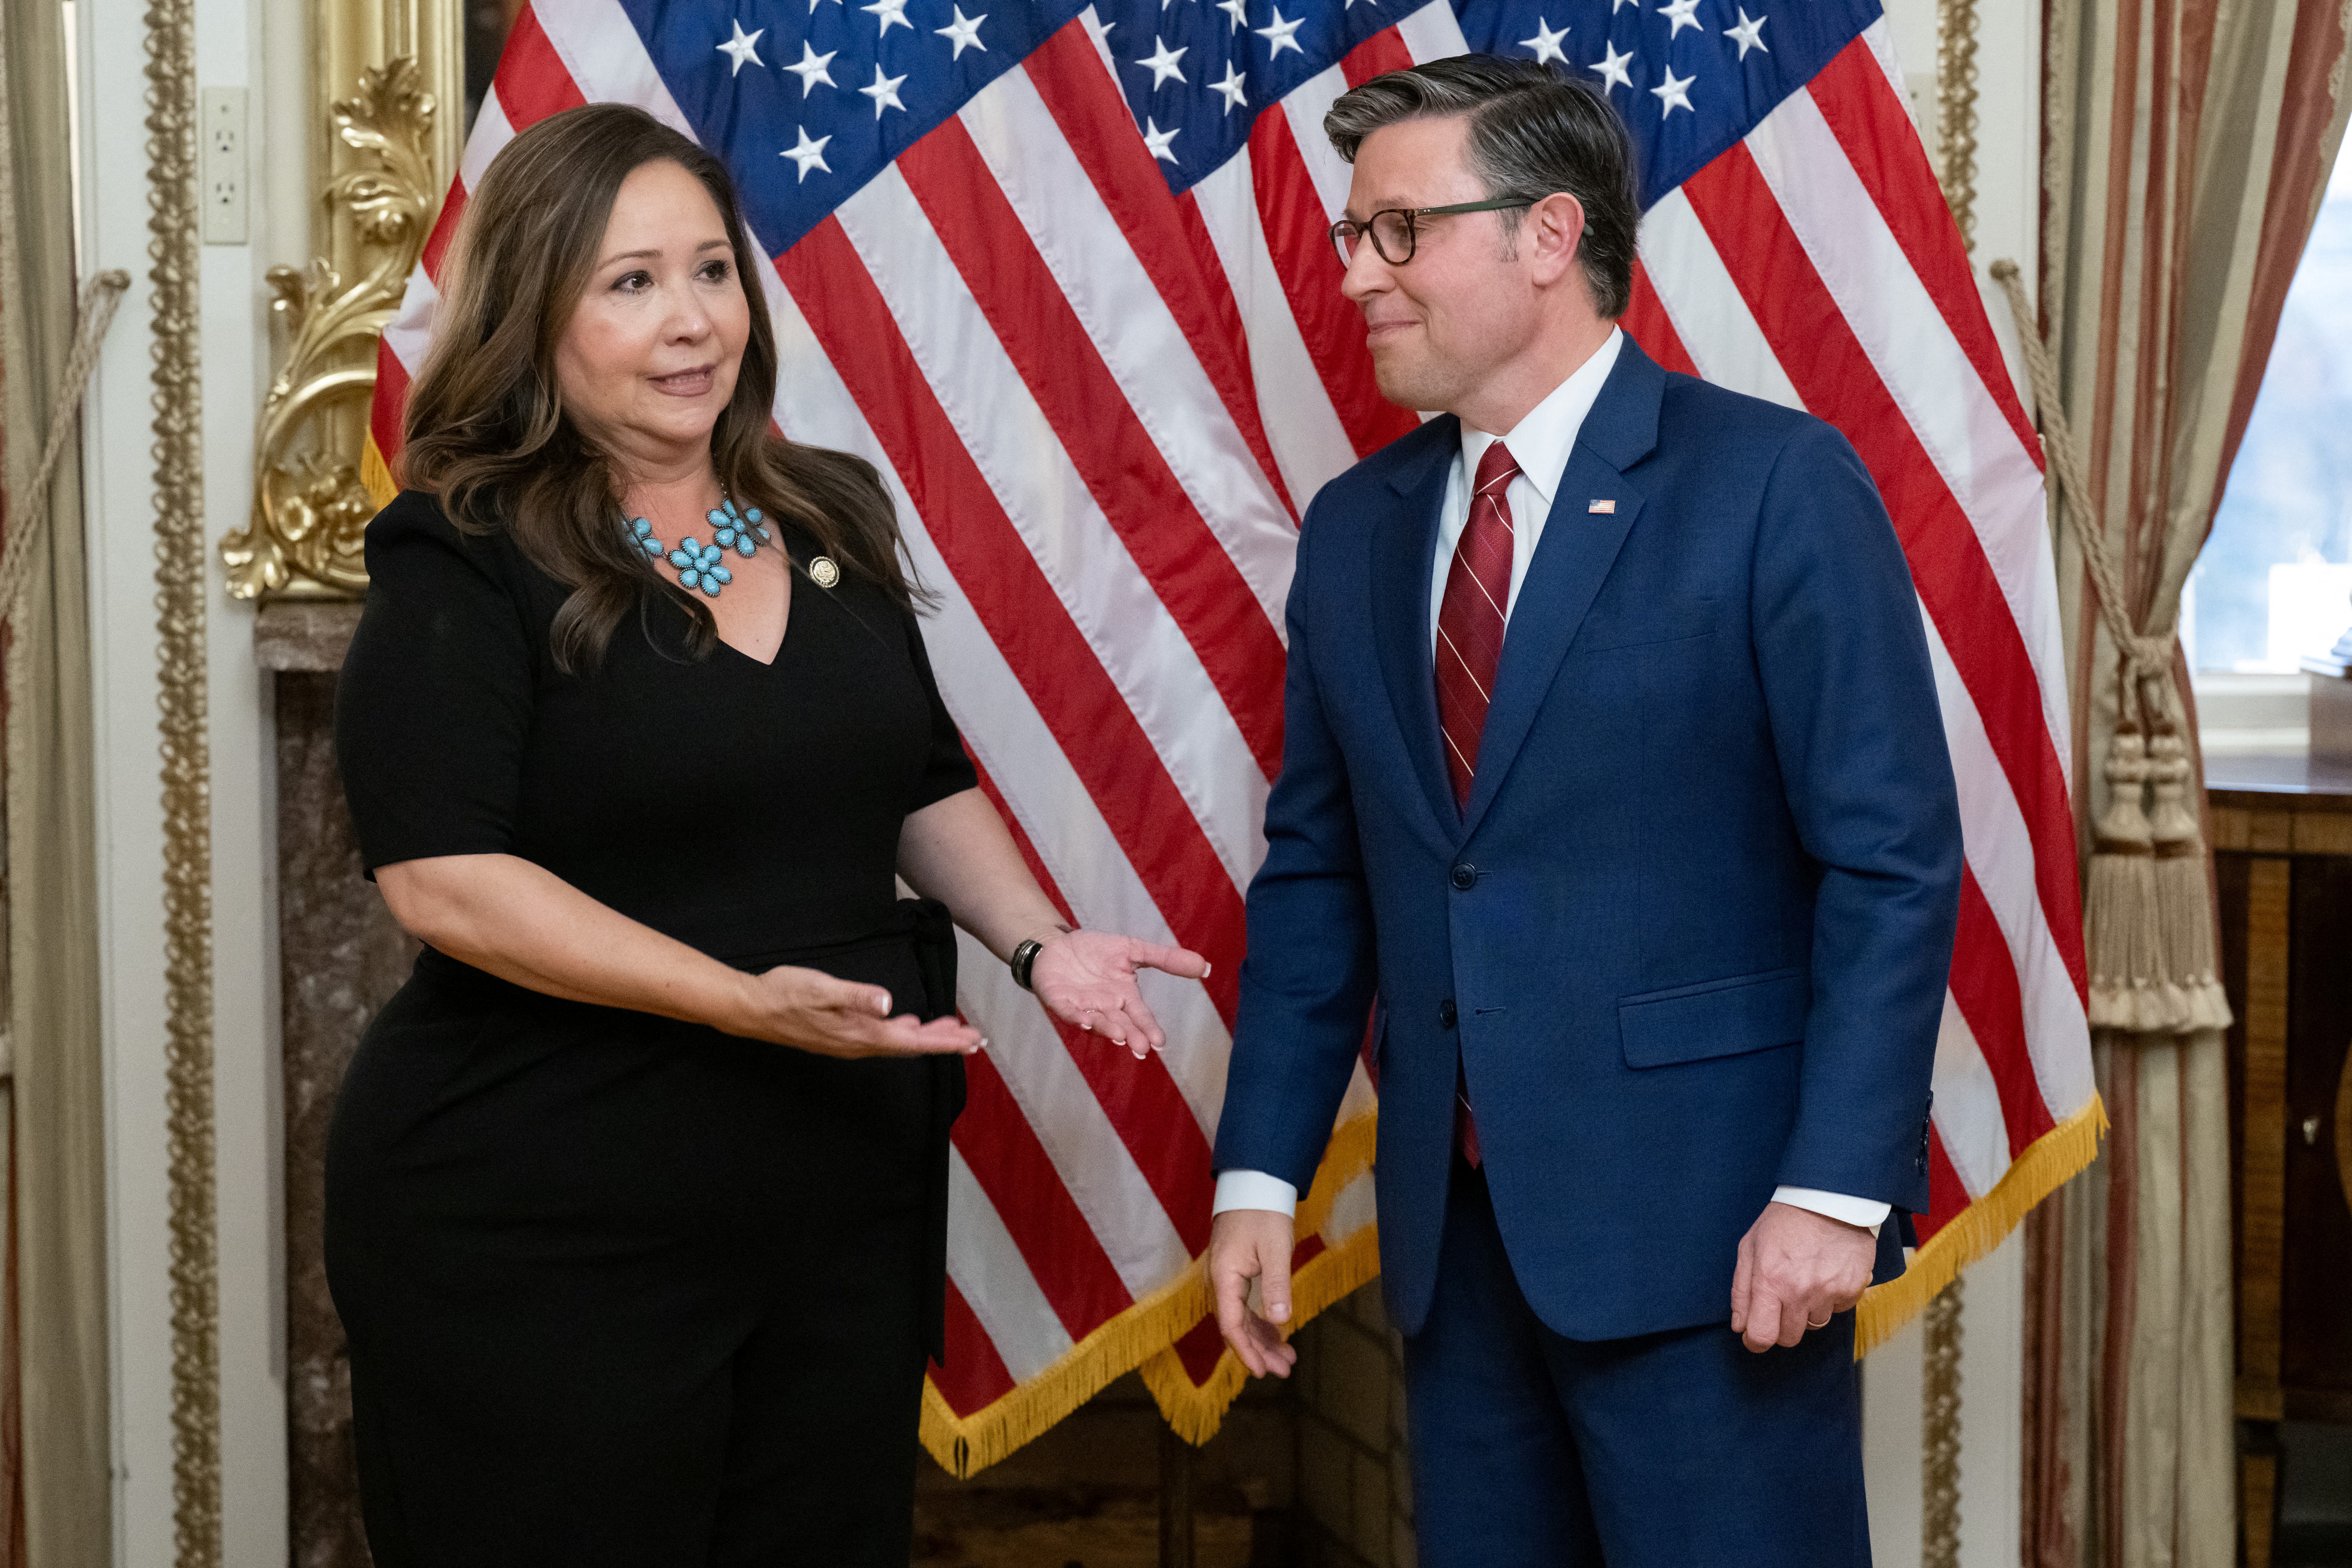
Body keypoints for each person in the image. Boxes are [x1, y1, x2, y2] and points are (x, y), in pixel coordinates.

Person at [327, 102, 1206, 1568]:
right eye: (631, 283)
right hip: (546, 1215)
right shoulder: (462, 550)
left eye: (712, 271)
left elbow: (917, 781)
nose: (692, 323)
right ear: (535, 312)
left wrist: (1041, 946)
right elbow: (443, 878)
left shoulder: (828, 510)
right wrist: (738, 1002)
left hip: (834, 1204)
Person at [1205, 57, 1962, 1566]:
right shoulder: (1357, 530)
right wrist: (1257, 1177)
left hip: (1720, 1238)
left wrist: (1829, 1190)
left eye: (1396, 232)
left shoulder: (1771, 484)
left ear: (1549, 236)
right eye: (1355, 237)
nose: (1356, 274)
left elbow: (1888, 863)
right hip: (1454, 1250)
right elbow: (1320, 879)